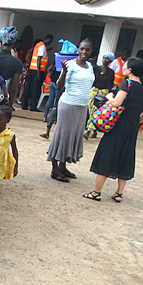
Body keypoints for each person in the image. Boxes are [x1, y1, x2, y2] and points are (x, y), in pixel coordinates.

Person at [85, 58, 143, 202]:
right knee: (125, 156)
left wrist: (109, 96)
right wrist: (136, 122)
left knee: (107, 154)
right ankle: (119, 193)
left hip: (118, 125)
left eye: (125, 66)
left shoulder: (126, 84)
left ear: (130, 70)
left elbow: (117, 103)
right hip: (132, 126)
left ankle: (96, 192)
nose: (122, 68)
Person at [47, 39, 95, 182]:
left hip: (82, 107)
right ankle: (54, 169)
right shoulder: (70, 65)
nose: (84, 52)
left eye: (87, 50)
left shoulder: (90, 66)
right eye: (81, 49)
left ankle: (63, 166)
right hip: (68, 105)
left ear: (90, 52)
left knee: (73, 136)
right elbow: (60, 86)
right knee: (62, 136)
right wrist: (65, 71)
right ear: (78, 50)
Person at [0, 27, 24, 109]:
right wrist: (10, 105)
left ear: (0, 41)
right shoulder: (17, 63)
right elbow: (13, 87)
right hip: (1, 100)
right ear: (14, 43)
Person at [85, 52, 116, 138]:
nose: (105, 60)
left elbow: (111, 84)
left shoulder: (111, 72)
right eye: (104, 58)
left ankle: (88, 131)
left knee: (97, 112)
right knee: (91, 111)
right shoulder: (95, 68)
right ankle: (94, 130)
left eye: (107, 59)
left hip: (103, 94)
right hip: (94, 91)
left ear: (110, 61)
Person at [22, 35, 53, 111]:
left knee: (29, 87)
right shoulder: (42, 46)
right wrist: (39, 73)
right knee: (35, 89)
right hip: (38, 70)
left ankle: (24, 104)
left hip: (33, 69)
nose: (50, 43)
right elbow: (39, 59)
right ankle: (33, 106)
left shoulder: (39, 45)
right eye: (50, 41)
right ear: (48, 40)